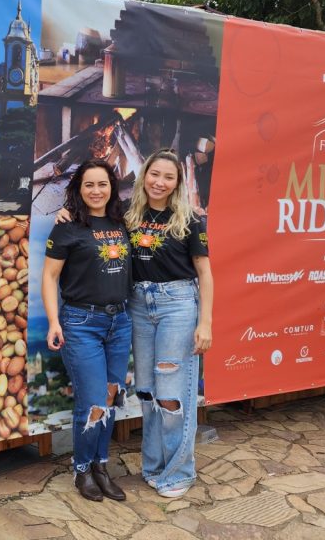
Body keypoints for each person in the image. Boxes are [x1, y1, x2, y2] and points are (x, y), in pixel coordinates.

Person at [55, 148, 214, 499]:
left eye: (168, 177)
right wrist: (65, 211)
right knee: (147, 391)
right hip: (138, 306)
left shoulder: (190, 219)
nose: (160, 182)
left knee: (172, 395)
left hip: (176, 305)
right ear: (144, 177)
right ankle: (154, 467)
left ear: (178, 182)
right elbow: (91, 215)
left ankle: (178, 471)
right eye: (154, 174)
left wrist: (205, 323)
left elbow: (204, 272)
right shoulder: (127, 214)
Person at [42, 159, 132, 503]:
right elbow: (49, 277)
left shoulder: (123, 222)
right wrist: (54, 321)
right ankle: (82, 470)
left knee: (110, 397)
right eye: (89, 185)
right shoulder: (67, 226)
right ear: (79, 190)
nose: (96, 191)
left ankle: (101, 467)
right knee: (92, 401)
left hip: (119, 322)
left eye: (102, 184)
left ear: (112, 187)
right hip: (81, 323)